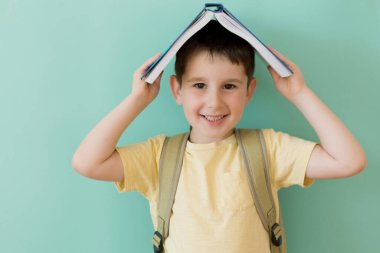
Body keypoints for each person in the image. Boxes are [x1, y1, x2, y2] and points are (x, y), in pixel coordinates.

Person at [72, 21, 366, 253]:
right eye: (199, 85)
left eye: (229, 86)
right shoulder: (158, 156)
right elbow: (87, 163)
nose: (214, 102)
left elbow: (348, 161)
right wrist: (137, 99)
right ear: (177, 90)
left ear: (249, 91)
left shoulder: (268, 149)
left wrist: (299, 93)